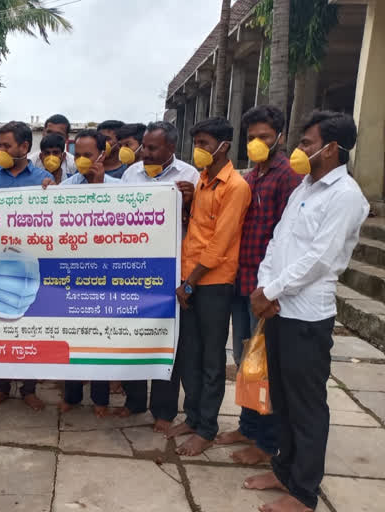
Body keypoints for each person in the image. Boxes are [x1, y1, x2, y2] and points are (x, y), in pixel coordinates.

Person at [246, 111, 368, 512]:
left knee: (306, 404)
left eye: (307, 143)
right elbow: (278, 240)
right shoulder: (304, 187)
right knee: (280, 395)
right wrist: (264, 286)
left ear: (331, 149)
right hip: (278, 306)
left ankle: (303, 492)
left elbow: (320, 259)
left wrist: (273, 290)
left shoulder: (346, 196)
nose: (299, 149)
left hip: (307, 315)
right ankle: (283, 469)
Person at [215, 105, 302, 465]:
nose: (257, 143)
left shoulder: (287, 177)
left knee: (262, 365)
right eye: (251, 138)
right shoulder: (250, 177)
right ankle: (248, 426)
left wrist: (272, 290)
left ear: (280, 137)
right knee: (244, 358)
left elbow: (288, 238)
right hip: (241, 280)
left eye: (264, 137)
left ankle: (266, 444)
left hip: (264, 287)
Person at [166, 117, 251, 457]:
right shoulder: (202, 181)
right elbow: (196, 230)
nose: (198, 150)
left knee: (212, 359)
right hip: (189, 281)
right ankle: (193, 416)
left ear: (224, 146)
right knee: (190, 353)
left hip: (212, 283)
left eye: (204, 143)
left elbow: (219, 243)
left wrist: (190, 282)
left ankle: (207, 429)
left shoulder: (235, 186)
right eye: (196, 143)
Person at [0, 121, 54, 410]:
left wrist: (53, 194)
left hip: (30, 265)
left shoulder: (44, 179)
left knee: (29, 328)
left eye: (5, 146)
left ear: (24, 148)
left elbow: (54, 218)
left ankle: (28, 388)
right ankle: (1, 386)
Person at [119, 121, 199, 434]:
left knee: (169, 340)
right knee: (133, 337)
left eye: (152, 148)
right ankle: (134, 401)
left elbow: (201, 225)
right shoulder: (131, 174)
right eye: (144, 146)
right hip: (135, 269)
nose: (144, 153)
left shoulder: (190, 176)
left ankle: (164, 410)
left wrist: (190, 203)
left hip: (171, 272)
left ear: (171, 149)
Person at [56, 129, 120, 416]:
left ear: (102, 155)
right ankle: (71, 396)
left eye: (88, 155)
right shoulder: (66, 188)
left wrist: (99, 184)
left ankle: (100, 399)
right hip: (72, 273)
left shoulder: (122, 189)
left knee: (100, 339)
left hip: (107, 275)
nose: (82, 160)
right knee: (72, 336)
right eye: (78, 155)